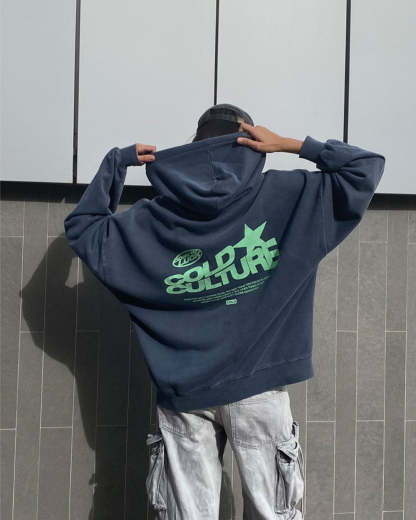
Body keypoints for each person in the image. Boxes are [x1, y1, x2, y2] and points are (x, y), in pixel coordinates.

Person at [64, 103, 386, 519]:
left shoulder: (151, 220)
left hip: (185, 395)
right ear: (249, 140)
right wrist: (290, 145)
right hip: (259, 388)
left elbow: (84, 228)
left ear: (194, 143)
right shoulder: (290, 196)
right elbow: (365, 168)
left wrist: (116, 164)